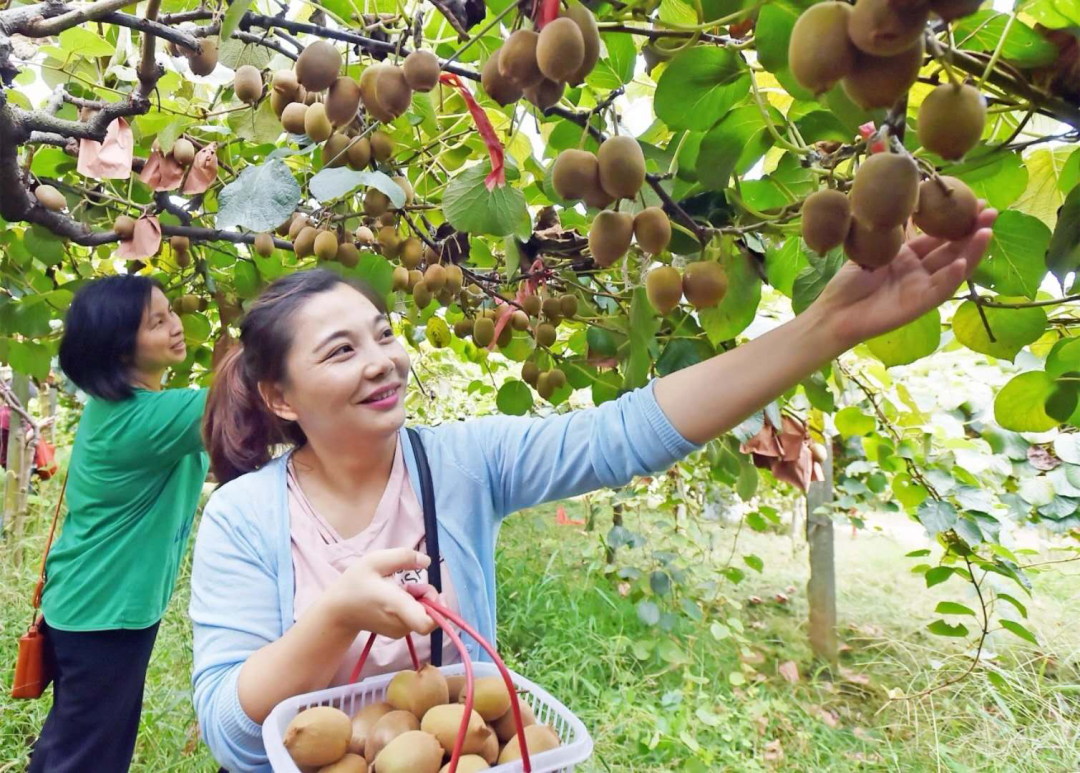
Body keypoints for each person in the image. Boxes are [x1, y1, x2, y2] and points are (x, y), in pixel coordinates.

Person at [190, 210, 996, 771]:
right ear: (281, 398)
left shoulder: (463, 463)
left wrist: (826, 329)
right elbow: (230, 733)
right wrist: (335, 617)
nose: (383, 361)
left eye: (385, 334)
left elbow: (626, 433)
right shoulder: (244, 515)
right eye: (340, 350)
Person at [29, 275, 209, 773]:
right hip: (106, 611)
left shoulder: (123, 409)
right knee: (91, 755)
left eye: (171, 311)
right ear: (120, 349)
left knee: (74, 740)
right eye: (157, 322)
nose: (176, 325)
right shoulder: (146, 419)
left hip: (92, 603)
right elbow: (253, 401)